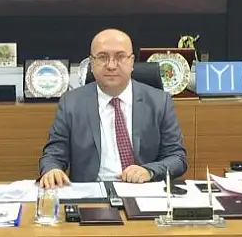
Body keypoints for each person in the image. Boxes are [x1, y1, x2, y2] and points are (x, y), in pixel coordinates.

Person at [38, 29, 187, 187]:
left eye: (120, 57)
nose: (111, 65)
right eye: (102, 57)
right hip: (92, 192)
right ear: (91, 63)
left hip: (143, 189)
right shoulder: (71, 102)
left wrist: (149, 171)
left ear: (132, 62)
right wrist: (51, 169)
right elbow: (54, 153)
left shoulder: (159, 101)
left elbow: (177, 158)